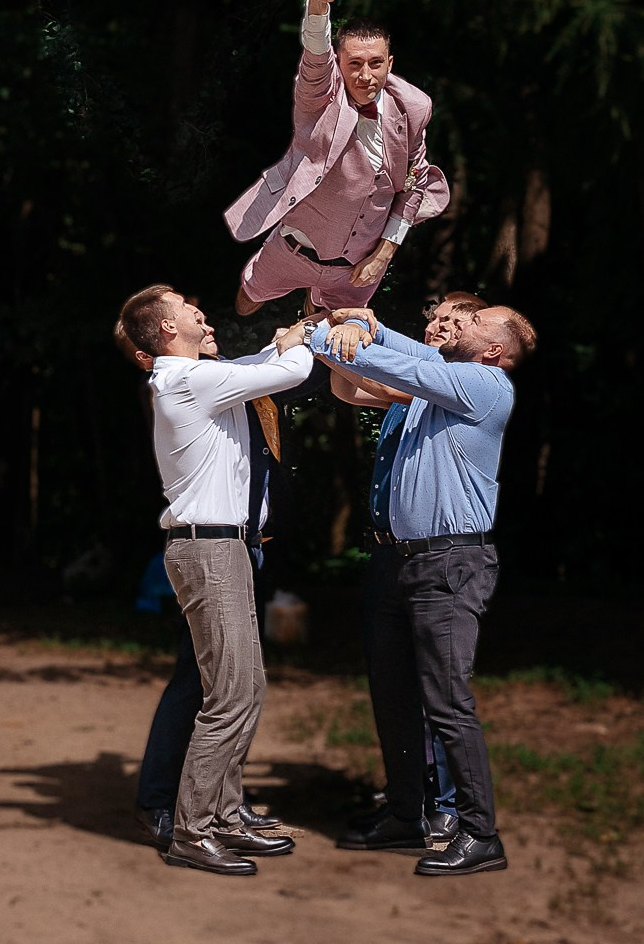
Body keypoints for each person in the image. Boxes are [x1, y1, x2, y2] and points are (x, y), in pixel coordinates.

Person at [313, 299, 535, 875]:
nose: (461, 320)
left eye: (476, 320)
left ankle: (480, 833)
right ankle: (407, 815)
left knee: (447, 702)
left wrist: (314, 337)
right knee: (392, 693)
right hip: (404, 562)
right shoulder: (445, 382)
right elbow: (408, 354)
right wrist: (370, 323)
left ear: (493, 350)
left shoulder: (483, 384)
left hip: (449, 564)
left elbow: (402, 368)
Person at [118, 284, 313, 876]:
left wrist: (291, 335)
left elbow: (258, 365)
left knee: (243, 687)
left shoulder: (201, 376)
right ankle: (194, 828)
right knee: (229, 694)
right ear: (166, 332)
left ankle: (224, 814)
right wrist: (309, 332)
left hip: (222, 547)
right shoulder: (183, 379)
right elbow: (289, 369)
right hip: (210, 550)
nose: (202, 313)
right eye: (188, 310)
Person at [325, 290, 486, 847]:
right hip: (388, 553)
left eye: (451, 319)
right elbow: (348, 388)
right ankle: (406, 808)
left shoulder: (451, 383)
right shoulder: (412, 390)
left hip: (436, 555)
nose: (439, 324)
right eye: (435, 316)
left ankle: (444, 808)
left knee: (435, 684)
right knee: (391, 683)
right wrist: (333, 331)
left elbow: (380, 369)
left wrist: (332, 335)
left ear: (475, 335)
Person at [226, 0, 451, 314]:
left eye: (376, 64)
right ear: (340, 64)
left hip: (359, 265)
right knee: (246, 304)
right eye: (354, 64)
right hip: (295, 246)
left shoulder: (414, 108)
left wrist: (383, 255)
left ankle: (314, 301)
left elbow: (413, 185)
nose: (365, 76)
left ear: (389, 64)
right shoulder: (320, 97)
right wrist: (318, 6)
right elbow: (316, 59)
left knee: (333, 339)